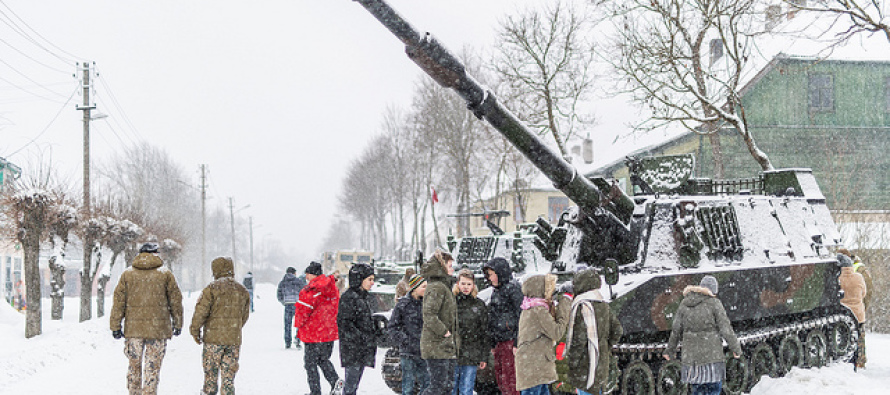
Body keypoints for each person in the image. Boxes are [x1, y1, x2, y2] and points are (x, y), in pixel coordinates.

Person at [110, 242, 184, 395]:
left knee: (134, 365)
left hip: (134, 331)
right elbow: (175, 301)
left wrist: (115, 326)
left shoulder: (127, 275)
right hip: (158, 330)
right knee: (152, 367)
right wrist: (178, 323)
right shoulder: (165, 274)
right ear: (155, 253)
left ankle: (134, 392)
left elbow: (119, 302)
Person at [663, 275, 741, 395]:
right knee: (714, 389)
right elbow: (726, 329)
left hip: (692, 360)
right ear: (713, 290)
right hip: (712, 359)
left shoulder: (685, 303)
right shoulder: (714, 303)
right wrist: (736, 349)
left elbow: (676, 330)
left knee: (698, 389)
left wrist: (669, 350)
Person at [189, 257, 250, 395]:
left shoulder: (211, 289)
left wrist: (195, 330)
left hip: (213, 340)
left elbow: (201, 312)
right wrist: (234, 328)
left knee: (210, 375)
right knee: (229, 377)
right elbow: (244, 316)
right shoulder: (242, 290)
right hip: (233, 340)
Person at [563, 269, 623, 395]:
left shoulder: (582, 306)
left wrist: (571, 362)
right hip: (601, 361)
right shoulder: (603, 304)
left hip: (585, 364)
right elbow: (617, 330)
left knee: (586, 390)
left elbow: (579, 340)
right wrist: (604, 346)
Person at [515, 273, 571, 395]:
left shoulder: (530, 306)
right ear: (541, 289)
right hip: (535, 369)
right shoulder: (538, 310)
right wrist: (566, 300)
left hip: (533, 367)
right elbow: (557, 332)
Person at [294, 261, 343, 395]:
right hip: (329, 333)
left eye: (307, 275)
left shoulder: (311, 290)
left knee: (310, 364)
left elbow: (302, 312)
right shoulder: (332, 288)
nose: (306, 278)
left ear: (312, 274)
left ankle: (315, 391)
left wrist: (298, 326)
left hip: (313, 333)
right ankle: (335, 381)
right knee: (323, 359)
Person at [482, 257, 523, 395]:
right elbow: (492, 318)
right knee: (502, 380)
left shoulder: (513, 289)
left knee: (510, 381)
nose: (490, 277)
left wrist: (517, 341)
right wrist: (493, 343)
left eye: (491, 273)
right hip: (500, 341)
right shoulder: (497, 291)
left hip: (510, 340)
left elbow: (520, 316)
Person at [420, 250, 459, 395]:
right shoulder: (437, 287)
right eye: (449, 265)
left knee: (447, 387)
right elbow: (429, 314)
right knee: (438, 387)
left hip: (444, 346)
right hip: (436, 346)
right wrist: (445, 332)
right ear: (441, 267)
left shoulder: (443, 286)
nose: (452, 269)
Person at [337, 263, 378, 395]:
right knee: (350, 386)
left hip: (360, 349)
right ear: (360, 279)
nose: (372, 283)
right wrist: (362, 337)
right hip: (353, 349)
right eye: (369, 279)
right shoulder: (349, 297)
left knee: (353, 386)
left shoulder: (363, 297)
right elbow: (345, 323)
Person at [389, 273, 429, 395]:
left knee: (427, 383)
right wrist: (404, 339)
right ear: (414, 288)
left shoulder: (427, 304)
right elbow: (392, 326)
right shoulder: (403, 305)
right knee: (408, 385)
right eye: (423, 286)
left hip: (424, 351)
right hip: (408, 352)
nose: (426, 289)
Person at [451, 269, 489, 395]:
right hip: (452, 352)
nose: (466, 287)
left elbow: (484, 331)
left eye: (469, 284)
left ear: (473, 285)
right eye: (463, 283)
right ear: (458, 284)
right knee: (451, 388)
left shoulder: (479, 305)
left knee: (466, 389)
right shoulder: (451, 303)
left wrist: (484, 356)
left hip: (472, 353)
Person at [837, 251, 868, 370]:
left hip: (844, 315)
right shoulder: (859, 277)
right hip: (859, 314)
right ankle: (858, 362)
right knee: (859, 339)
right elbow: (864, 293)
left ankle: (846, 363)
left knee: (845, 339)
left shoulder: (838, 278)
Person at [277, 266, 307, 349]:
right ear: (294, 273)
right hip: (298, 305)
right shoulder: (299, 281)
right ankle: (297, 339)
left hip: (288, 305)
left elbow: (279, 294)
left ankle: (287, 342)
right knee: (299, 324)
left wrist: (284, 302)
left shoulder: (282, 282)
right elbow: (304, 292)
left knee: (287, 324)